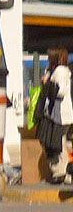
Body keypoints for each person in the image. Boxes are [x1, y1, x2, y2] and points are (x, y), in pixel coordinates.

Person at [37, 47, 73, 184]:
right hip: (65, 114)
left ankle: (60, 172)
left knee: (54, 143)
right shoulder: (63, 71)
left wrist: (47, 83)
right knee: (61, 143)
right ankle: (63, 172)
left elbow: (60, 92)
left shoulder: (59, 72)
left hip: (59, 115)